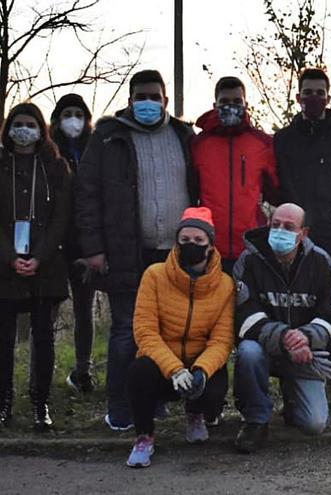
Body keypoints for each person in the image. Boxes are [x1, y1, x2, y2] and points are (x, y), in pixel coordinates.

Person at [76, 69, 198, 430]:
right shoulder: (108, 138)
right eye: (140, 97)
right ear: (130, 101)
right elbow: (87, 194)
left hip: (175, 254)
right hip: (127, 251)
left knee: (167, 331)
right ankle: (120, 407)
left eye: (154, 96)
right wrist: (94, 248)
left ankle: (156, 399)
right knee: (127, 329)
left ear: (165, 99)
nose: (147, 103)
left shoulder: (183, 135)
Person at [273, 68, 331, 412]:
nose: (313, 97)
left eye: (319, 92)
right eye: (307, 92)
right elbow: (274, 184)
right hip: (294, 240)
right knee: (291, 311)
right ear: (298, 97)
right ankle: (292, 387)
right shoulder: (283, 140)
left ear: (329, 96)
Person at [125, 208, 234, 468]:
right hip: (163, 361)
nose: (191, 246)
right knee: (138, 372)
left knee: (216, 387)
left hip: (199, 359)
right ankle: (144, 436)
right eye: (185, 240)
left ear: (210, 246)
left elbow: (222, 340)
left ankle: (195, 413)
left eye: (199, 241)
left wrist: (201, 370)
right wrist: (174, 369)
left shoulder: (226, 285)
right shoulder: (154, 275)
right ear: (176, 242)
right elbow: (145, 331)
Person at [233, 203, 331, 453]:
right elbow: (244, 318)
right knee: (248, 352)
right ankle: (256, 420)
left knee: (314, 424)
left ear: (303, 233)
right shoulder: (248, 261)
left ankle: (293, 400)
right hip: (265, 348)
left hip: (306, 353)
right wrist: (284, 337)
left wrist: (304, 338)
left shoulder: (323, 264)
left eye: (288, 227)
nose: (280, 230)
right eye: (275, 225)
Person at [0, 103, 72, 431]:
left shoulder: (56, 167)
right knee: (3, 340)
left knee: (43, 339)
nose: (24, 130)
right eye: (19, 123)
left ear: (41, 130)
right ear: (8, 128)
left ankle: (40, 403)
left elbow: (61, 217)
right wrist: (10, 257)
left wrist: (39, 256)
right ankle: (4, 403)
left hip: (46, 266)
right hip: (4, 267)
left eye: (31, 124)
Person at [191, 76, 279, 275]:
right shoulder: (199, 144)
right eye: (225, 102)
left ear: (245, 104)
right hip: (210, 247)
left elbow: (276, 191)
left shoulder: (261, 143)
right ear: (215, 105)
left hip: (250, 245)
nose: (231, 106)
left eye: (237, 102)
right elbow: (189, 191)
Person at [49, 93, 98, 394]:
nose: (73, 120)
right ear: (56, 119)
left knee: (84, 309)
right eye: (67, 114)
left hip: (85, 244)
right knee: (47, 312)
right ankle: (42, 372)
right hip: (52, 244)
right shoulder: (48, 152)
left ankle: (83, 370)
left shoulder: (94, 151)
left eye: (78, 114)